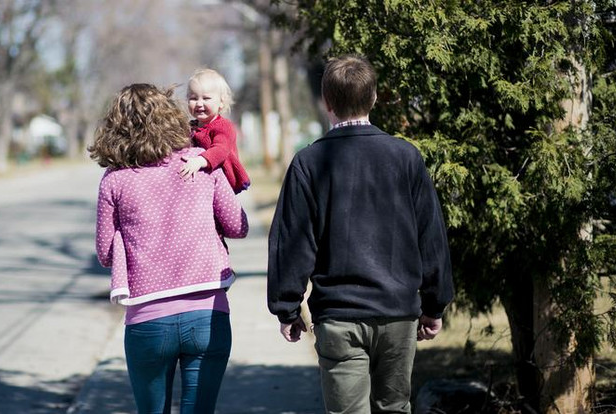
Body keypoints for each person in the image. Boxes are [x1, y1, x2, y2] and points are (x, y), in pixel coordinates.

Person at [267, 55, 454, 413]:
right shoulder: (405, 157)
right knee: (395, 407)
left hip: (339, 318)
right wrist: (434, 303)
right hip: (398, 312)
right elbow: (430, 236)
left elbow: (293, 241)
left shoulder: (309, 163)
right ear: (374, 98)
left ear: (327, 103)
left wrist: (287, 308)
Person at [90, 83, 249, 414]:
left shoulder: (114, 181)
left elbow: (105, 254)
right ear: (171, 118)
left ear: (117, 128)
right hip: (207, 314)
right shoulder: (200, 164)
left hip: (147, 321)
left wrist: (124, 236)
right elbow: (239, 226)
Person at [179, 68, 250, 194]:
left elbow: (220, 149)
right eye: (194, 98)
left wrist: (199, 161)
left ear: (221, 102)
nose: (199, 104)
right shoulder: (189, 128)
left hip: (225, 184)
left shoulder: (223, 127)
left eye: (206, 98)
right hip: (203, 183)